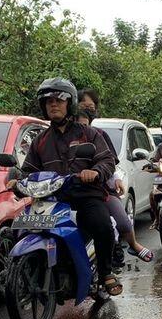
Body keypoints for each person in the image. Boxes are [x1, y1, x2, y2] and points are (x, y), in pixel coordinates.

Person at [16, 77, 121, 294]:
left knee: (102, 225)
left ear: (70, 103)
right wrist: (18, 181)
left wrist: (95, 172)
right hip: (52, 198)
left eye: (59, 99)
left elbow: (107, 160)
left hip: (86, 195)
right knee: (22, 228)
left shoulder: (89, 134)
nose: (53, 104)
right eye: (48, 101)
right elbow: (28, 170)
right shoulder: (40, 140)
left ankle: (106, 272)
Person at [74, 106, 153, 263]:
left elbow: (110, 162)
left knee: (119, 221)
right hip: (67, 191)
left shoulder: (99, 136)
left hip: (99, 189)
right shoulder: (53, 139)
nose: (82, 129)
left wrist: (113, 177)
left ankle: (128, 247)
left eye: (85, 124)